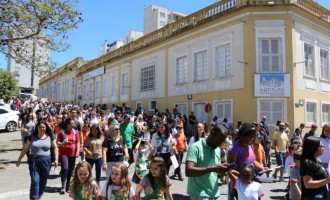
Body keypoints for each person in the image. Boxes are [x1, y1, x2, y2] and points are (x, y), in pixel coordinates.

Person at [16, 121, 59, 200]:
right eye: (40, 127)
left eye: (44, 127)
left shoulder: (50, 136)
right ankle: (34, 198)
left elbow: (55, 147)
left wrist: (56, 159)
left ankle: (39, 196)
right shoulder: (32, 136)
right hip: (34, 161)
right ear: (37, 128)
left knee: (43, 181)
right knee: (35, 180)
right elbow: (25, 148)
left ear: (46, 128)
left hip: (46, 161)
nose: (42, 129)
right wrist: (19, 159)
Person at [185, 126, 229, 199]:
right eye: (219, 140)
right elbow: (188, 171)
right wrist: (212, 169)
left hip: (215, 194)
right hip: (199, 194)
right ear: (212, 133)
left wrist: (223, 171)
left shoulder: (217, 149)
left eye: (222, 141)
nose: (220, 143)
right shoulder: (195, 147)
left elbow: (215, 175)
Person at [57, 118, 80, 194]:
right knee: (65, 168)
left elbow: (77, 142)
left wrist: (77, 151)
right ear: (67, 124)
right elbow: (57, 142)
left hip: (72, 153)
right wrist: (62, 144)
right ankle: (63, 186)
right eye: (71, 123)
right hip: (64, 153)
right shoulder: (62, 132)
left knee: (70, 170)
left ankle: (67, 186)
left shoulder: (75, 132)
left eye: (73, 123)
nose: (73, 125)